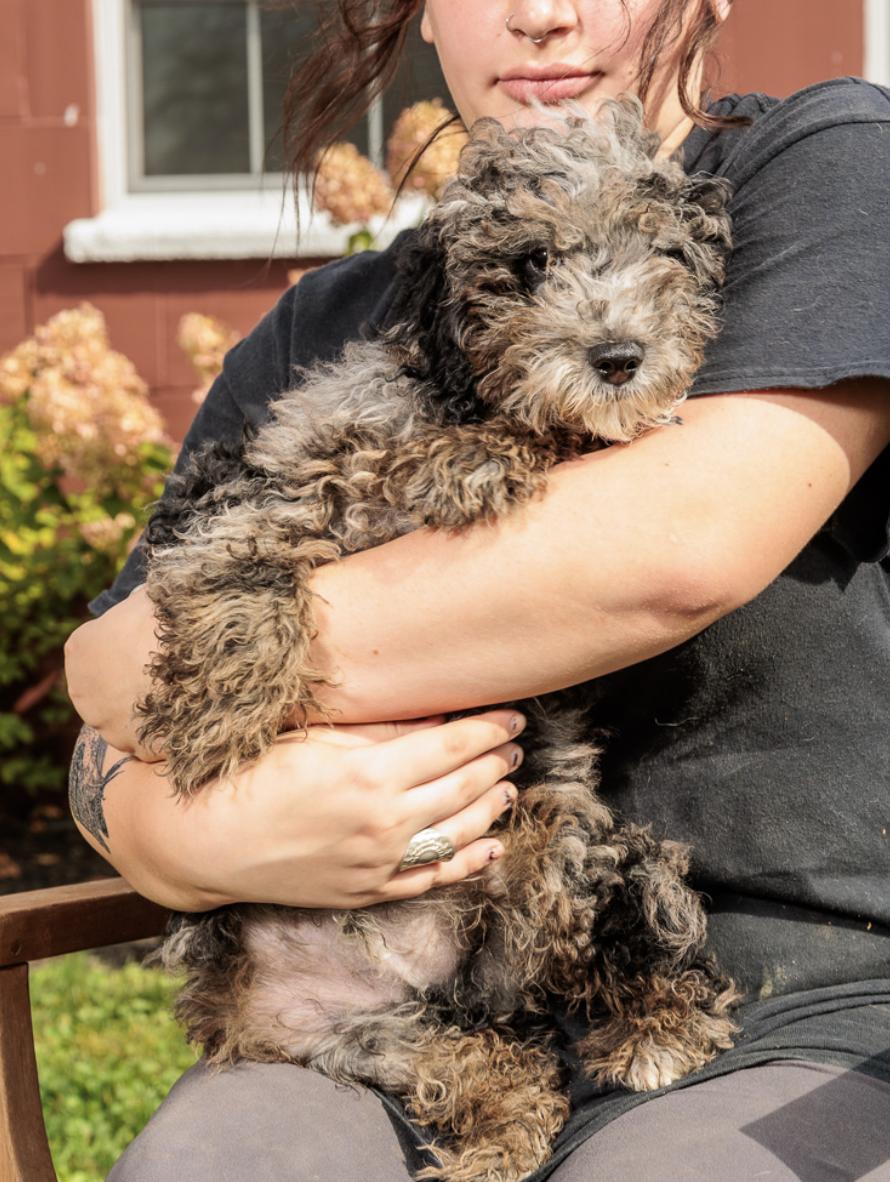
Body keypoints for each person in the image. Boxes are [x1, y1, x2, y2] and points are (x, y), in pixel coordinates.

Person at [63, 1, 890, 1178]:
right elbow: (100, 687)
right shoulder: (330, 326)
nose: (542, 15)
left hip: (795, 1010)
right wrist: (178, 836)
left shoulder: (819, 176)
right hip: (377, 1013)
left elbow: (678, 550)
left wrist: (228, 654)